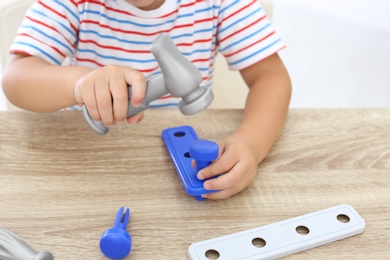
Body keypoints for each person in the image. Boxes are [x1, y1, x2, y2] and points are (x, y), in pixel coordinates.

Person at [2, 0, 291, 199]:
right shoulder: (75, 4)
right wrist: (80, 84)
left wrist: (251, 143)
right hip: (85, 163)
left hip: (178, 166)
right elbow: (17, 78)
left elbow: (270, 77)